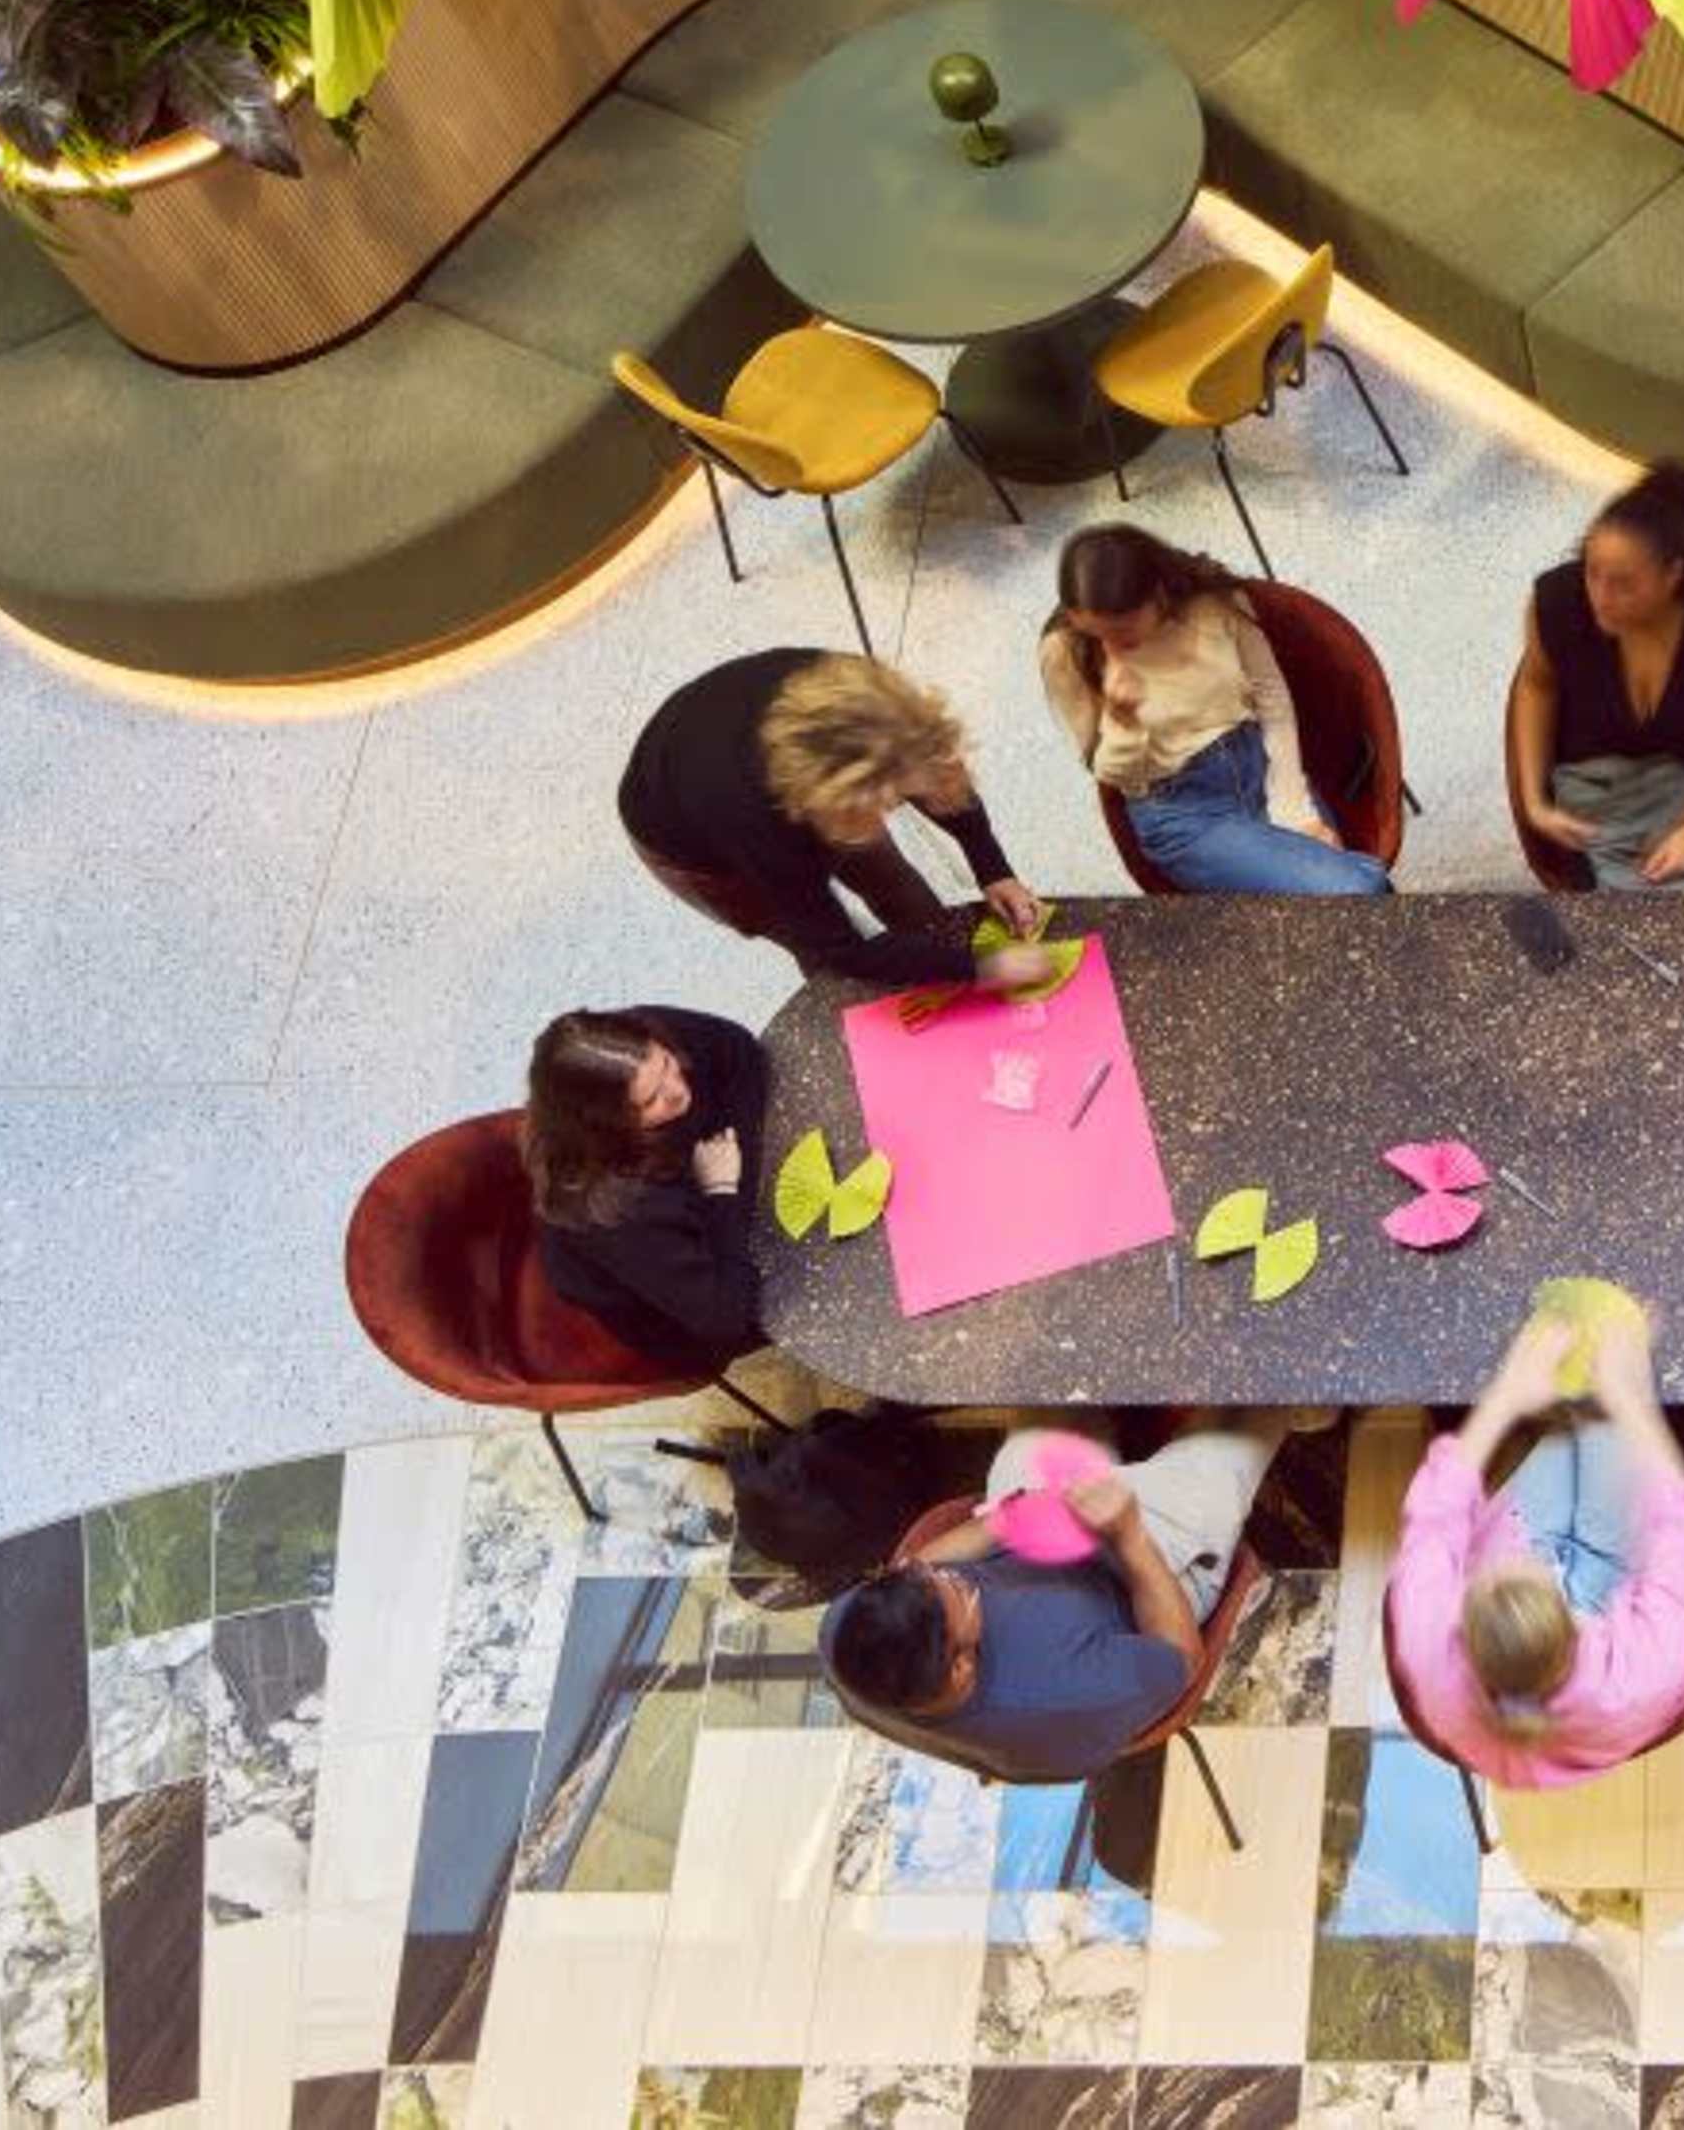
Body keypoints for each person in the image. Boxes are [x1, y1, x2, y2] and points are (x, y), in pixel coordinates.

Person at [816, 1411, 1321, 1782]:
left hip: (1034, 1525)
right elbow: (1181, 1657)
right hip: (1153, 1571)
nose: (954, 1576)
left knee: (1054, 1379)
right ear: (962, 1669)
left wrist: (1012, 1517)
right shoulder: (1066, 1700)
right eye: (963, 1589)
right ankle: (1304, 1410)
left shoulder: (852, 1636)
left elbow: (915, 1567)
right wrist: (1129, 1536)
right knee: (1246, 1411)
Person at [1385, 1297, 1684, 1789]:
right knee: (1604, 1428)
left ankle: (1577, 1414)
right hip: (1618, 1618)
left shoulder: (1430, 1640)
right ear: (1570, 1625)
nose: (1526, 1560)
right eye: (1528, 1569)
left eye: (1493, 1571)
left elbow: (1433, 1519)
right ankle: (1594, 1411)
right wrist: (1630, 1398)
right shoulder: (1646, 1673)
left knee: (1569, 1435)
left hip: (1562, 1642)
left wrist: (1508, 1396)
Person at [618, 650, 1053, 986]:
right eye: (888, 804)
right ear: (839, 802)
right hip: (689, 836)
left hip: (766, 768)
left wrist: (992, 868)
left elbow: (937, 777)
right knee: (816, 952)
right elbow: (838, 949)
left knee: (895, 883)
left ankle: (929, 956)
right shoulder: (751, 817)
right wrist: (981, 968)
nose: (896, 812)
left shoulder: (869, 700)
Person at [1041, 520, 1391, 896]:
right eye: (1095, 633)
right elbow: (1111, 775)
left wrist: (1294, 808)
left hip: (1260, 765)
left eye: (1122, 631)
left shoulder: (1213, 605)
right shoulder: (1065, 649)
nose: (1109, 646)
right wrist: (1123, 721)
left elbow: (1272, 702)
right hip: (1182, 807)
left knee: (1344, 894)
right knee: (1360, 886)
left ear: (1157, 595)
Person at [1507, 460, 1684, 891]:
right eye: (1592, 572)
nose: (1600, 597)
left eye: (1624, 584)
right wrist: (1533, 800)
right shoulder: (1558, 603)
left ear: (1672, 575)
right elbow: (1536, 686)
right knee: (1599, 925)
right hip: (1599, 795)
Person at [523, 1006, 772, 1369]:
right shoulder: (619, 1210)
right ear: (609, 1124)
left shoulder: (636, 1043)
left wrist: (735, 1149)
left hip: (703, 1197)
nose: (678, 1091)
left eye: (668, 1064)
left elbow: (739, 1049)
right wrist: (722, 1191)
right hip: (673, 1314)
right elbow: (725, 1319)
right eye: (651, 1100)